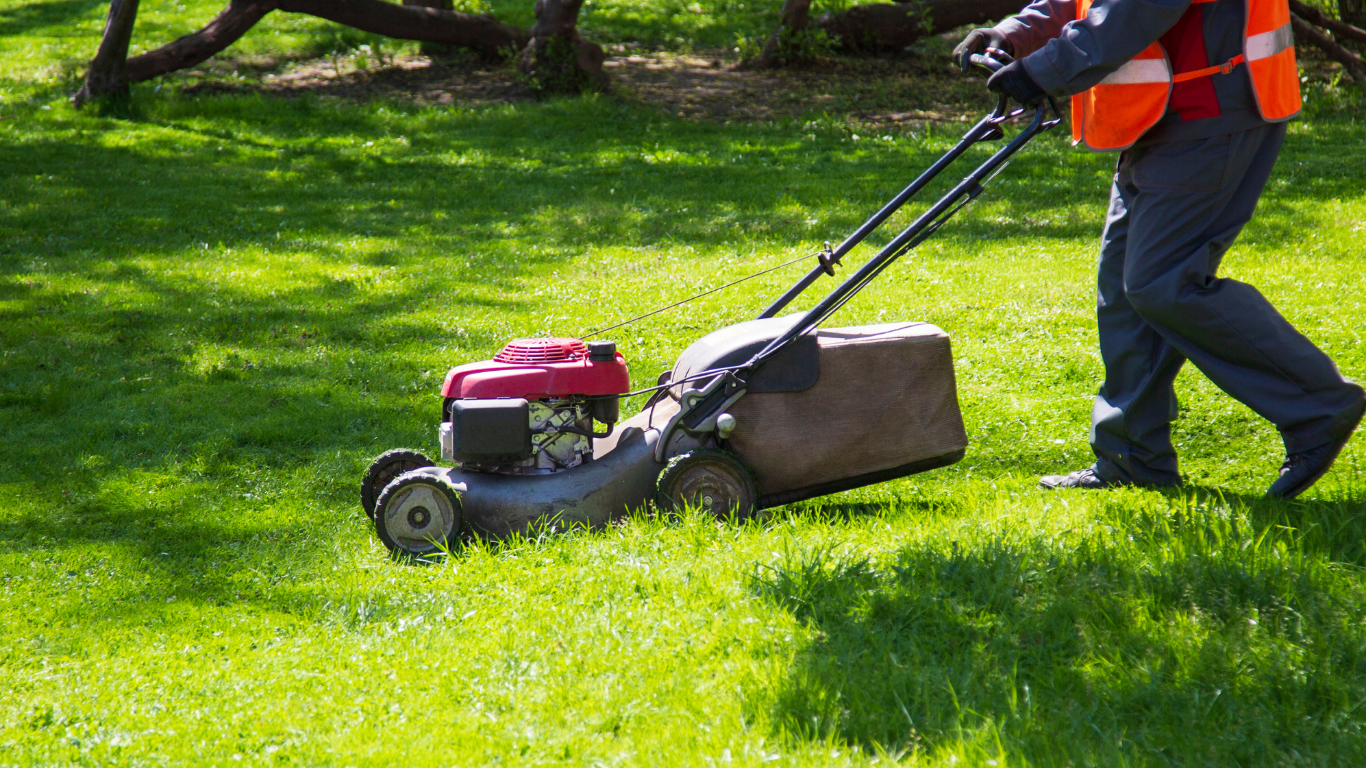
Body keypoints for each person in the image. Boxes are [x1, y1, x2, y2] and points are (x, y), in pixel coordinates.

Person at [952, 0, 1365, 499]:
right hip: (1155, 120)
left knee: (1163, 281)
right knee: (1124, 291)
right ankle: (1133, 458)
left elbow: (1137, 10)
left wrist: (1044, 69)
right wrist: (1014, 31)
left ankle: (1318, 404)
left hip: (1212, 111)